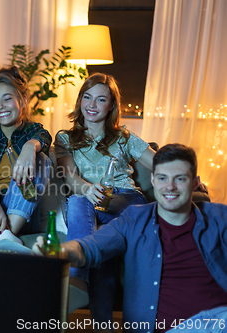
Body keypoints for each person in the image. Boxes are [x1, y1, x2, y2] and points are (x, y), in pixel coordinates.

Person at [33, 144, 227, 333]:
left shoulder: (220, 218)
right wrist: (62, 251)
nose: (170, 187)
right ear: (152, 180)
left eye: (180, 179)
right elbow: (90, 246)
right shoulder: (134, 219)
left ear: (195, 182)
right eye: (162, 178)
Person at [53, 73, 155, 321]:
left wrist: (180, 171)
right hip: (91, 201)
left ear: (111, 105)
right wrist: (88, 188)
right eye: (87, 97)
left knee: (80, 205)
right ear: (79, 101)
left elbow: (158, 162)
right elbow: (68, 176)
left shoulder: (124, 137)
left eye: (100, 100)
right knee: (101, 242)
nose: (91, 105)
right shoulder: (65, 138)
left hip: (125, 200)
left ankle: (76, 280)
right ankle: (103, 326)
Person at [0, 66, 52, 242]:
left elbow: (44, 137)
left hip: (22, 217)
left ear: (23, 100)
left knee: (42, 160)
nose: (0, 107)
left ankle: (5, 234)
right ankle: (6, 237)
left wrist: (30, 147)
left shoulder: (33, 131)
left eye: (7, 99)